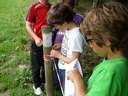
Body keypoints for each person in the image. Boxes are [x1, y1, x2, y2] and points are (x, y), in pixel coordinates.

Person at [68, 1, 128, 96]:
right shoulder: (117, 62)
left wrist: (77, 80)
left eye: (90, 40)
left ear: (107, 40)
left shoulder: (111, 72)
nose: (90, 45)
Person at [48, 3, 85, 96]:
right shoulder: (68, 30)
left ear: (64, 22)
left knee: (68, 92)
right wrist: (61, 45)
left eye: (57, 26)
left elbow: (73, 60)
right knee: (63, 89)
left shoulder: (76, 35)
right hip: (63, 65)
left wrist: (58, 55)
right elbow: (71, 45)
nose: (57, 28)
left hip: (69, 70)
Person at [25, 0, 51, 95]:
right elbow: (27, 25)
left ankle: (46, 82)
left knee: (47, 63)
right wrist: (36, 38)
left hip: (49, 43)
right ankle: (36, 85)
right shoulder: (34, 7)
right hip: (37, 42)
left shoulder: (51, 7)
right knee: (36, 65)